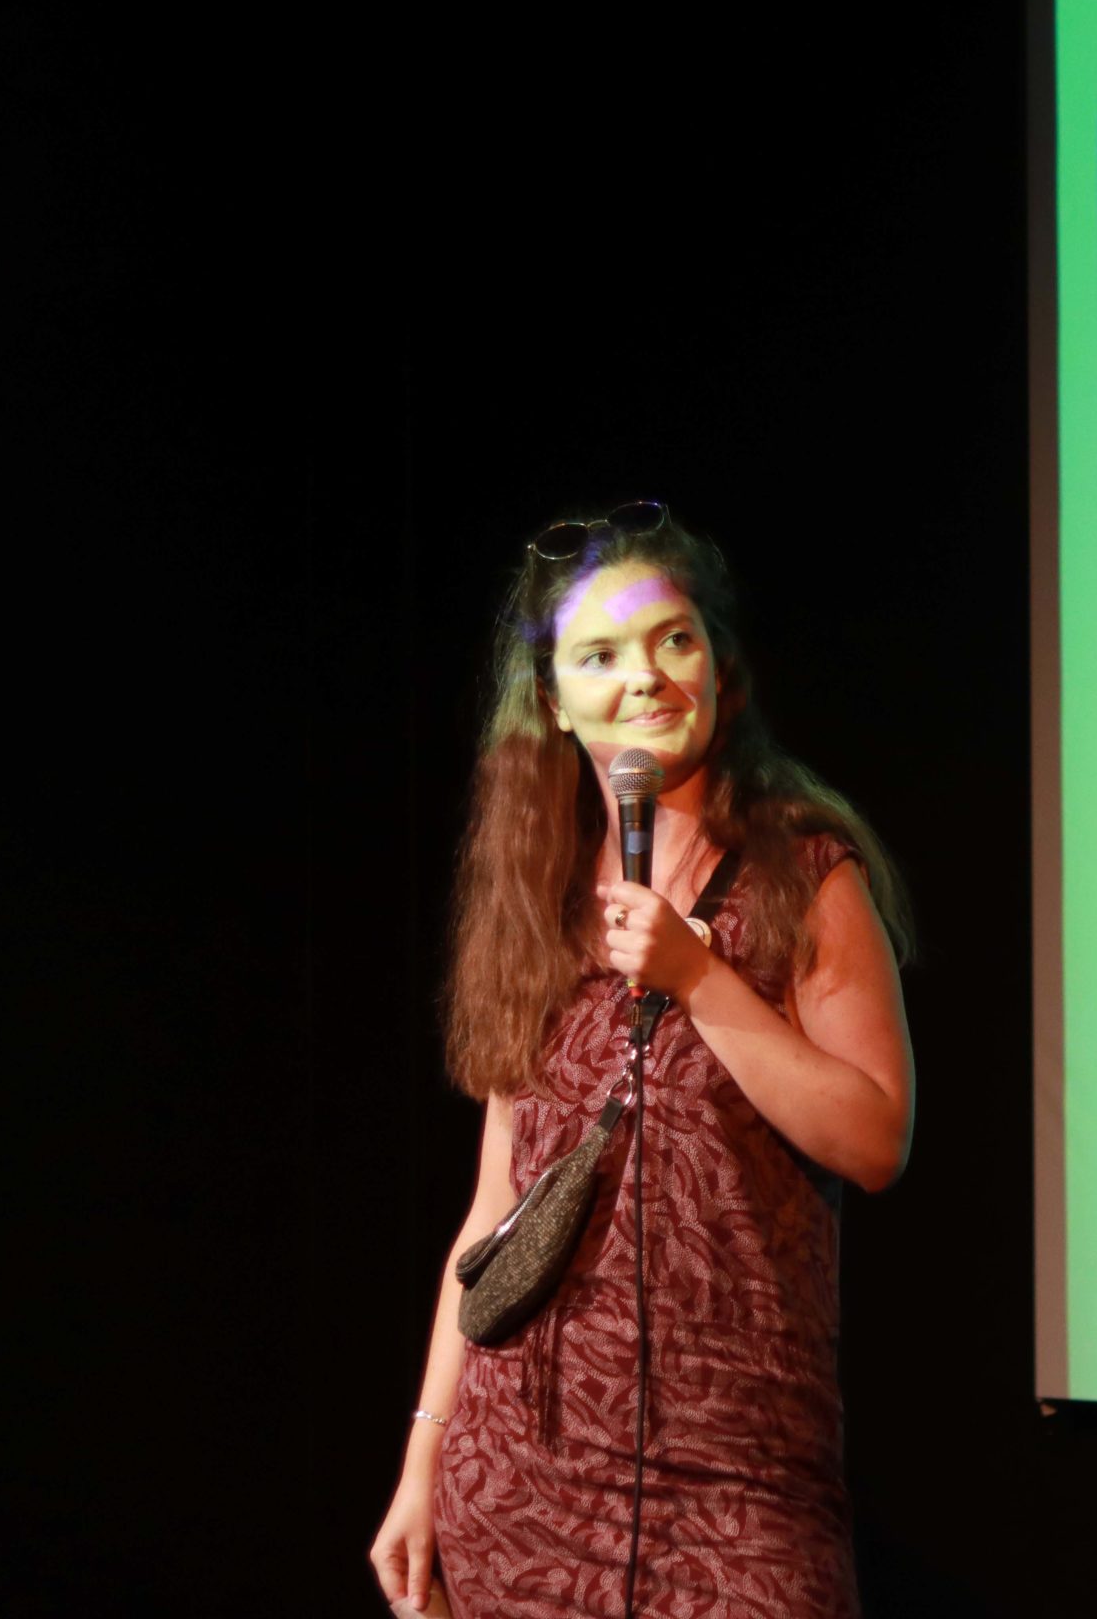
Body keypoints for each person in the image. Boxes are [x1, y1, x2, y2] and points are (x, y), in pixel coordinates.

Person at [369, 502, 915, 1619]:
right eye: (600, 656)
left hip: (738, 1486)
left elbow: (874, 1140)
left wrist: (700, 977)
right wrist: (423, 1463)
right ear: (553, 703)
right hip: (519, 1483)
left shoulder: (806, 876)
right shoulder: (535, 904)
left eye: (674, 640)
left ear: (721, 667)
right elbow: (494, 1209)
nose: (646, 678)